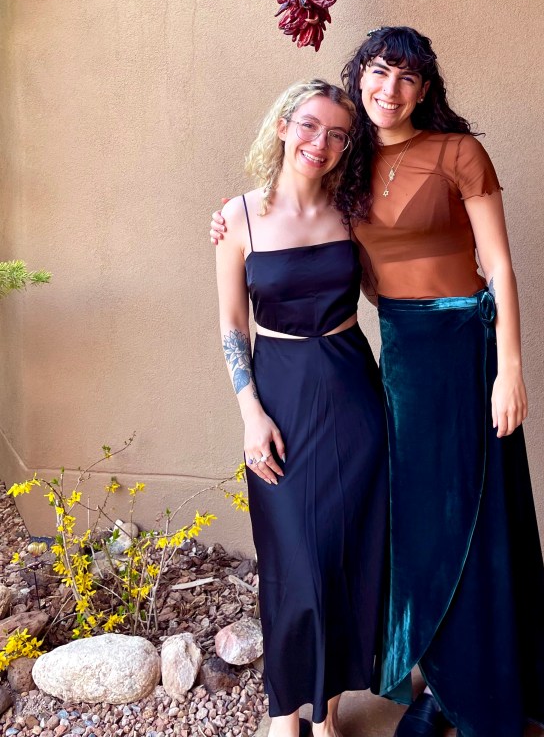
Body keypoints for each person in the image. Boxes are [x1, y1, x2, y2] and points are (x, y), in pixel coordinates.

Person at [212, 30, 544, 737]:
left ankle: (468, 691)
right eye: (379, 72)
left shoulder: (437, 161)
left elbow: (495, 265)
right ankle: (354, 698)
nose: (391, 90)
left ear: (425, 89)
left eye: (408, 78)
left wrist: (512, 368)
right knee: (379, 536)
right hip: (391, 362)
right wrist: (233, 220)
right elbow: (270, 285)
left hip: (445, 354)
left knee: (464, 519)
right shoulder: (329, 178)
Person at [215, 79, 387, 737]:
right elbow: (232, 324)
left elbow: (389, 289)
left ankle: (327, 714)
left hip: (352, 394)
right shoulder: (237, 218)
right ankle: (283, 715)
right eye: (311, 125)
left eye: (338, 134)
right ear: (284, 125)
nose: (322, 142)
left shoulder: (353, 214)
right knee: (293, 565)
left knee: (345, 559)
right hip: (280, 397)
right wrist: (250, 413)